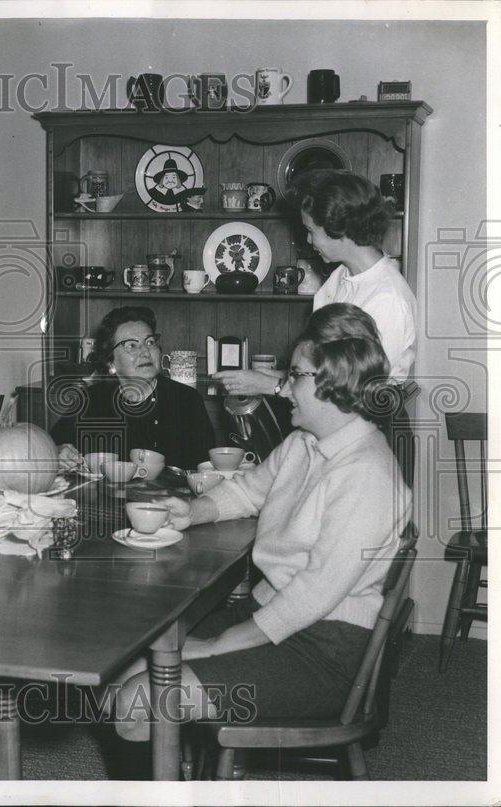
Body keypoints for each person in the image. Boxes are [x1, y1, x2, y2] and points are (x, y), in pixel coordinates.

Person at [112, 303, 412, 740]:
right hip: (270, 616)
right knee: (125, 669)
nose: (284, 389)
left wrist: (217, 645)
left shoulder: (367, 474)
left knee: (136, 701)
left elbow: (311, 599)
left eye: (295, 375)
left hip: (322, 652)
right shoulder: (305, 444)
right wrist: (192, 511)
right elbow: (248, 490)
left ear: (332, 381)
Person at [215, 170, 416, 398]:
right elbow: (325, 370)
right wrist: (273, 376)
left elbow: (354, 392)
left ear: (338, 229)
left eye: (310, 231)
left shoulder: (386, 298)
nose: (308, 241)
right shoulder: (341, 276)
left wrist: (274, 387)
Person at [51, 306, 214, 472]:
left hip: (173, 497)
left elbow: (207, 470)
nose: (145, 352)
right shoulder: (92, 399)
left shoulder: (186, 400)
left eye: (150, 342)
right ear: (111, 362)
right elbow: (51, 445)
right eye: (131, 345)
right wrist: (59, 452)